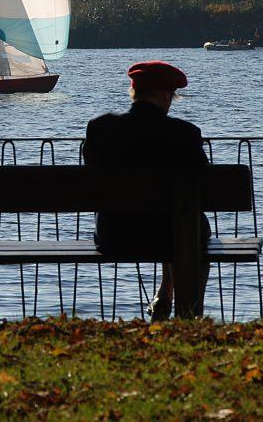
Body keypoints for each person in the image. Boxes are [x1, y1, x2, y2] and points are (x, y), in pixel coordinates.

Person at [83, 60, 210, 322]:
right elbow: (205, 187)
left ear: (134, 92)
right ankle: (190, 310)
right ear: (165, 95)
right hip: (174, 236)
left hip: (114, 236)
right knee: (186, 223)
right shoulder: (185, 134)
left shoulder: (100, 128)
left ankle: (165, 294)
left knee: (174, 217)